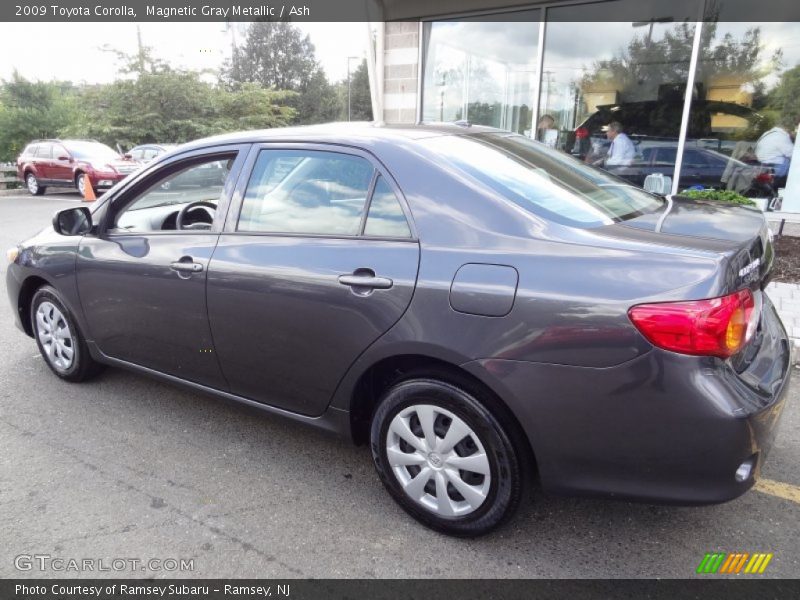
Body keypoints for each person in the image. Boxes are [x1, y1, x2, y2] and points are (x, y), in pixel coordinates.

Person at [755, 116, 797, 187]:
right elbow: (794, 155)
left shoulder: (767, 134)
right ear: (787, 128)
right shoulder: (782, 136)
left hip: (762, 167)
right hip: (775, 170)